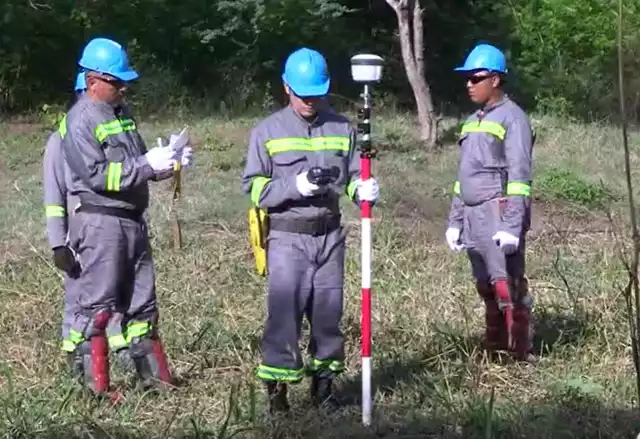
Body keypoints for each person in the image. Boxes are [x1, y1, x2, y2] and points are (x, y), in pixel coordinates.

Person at [241, 47, 380, 413]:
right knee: (284, 315)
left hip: (330, 235)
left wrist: (361, 190)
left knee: (328, 314)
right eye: (303, 94)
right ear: (286, 87)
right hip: (288, 236)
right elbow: (253, 187)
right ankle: (278, 396)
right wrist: (295, 186)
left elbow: (352, 176)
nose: (310, 101)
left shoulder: (342, 127)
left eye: (316, 93)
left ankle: (325, 388)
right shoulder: (266, 132)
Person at [61, 37, 193, 394]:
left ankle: (155, 383)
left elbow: (137, 165)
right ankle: (96, 391)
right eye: (116, 81)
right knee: (99, 309)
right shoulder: (78, 122)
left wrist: (167, 162)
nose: (124, 87)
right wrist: (147, 164)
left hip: (133, 220)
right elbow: (98, 175)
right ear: (92, 81)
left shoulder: (122, 115)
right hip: (101, 223)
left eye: (125, 81)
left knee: (143, 305)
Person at [445, 43, 535, 362]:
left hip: (497, 212)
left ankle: (518, 352)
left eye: (476, 77)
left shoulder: (514, 119)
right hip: (471, 216)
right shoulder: (471, 121)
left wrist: (512, 225)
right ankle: (494, 344)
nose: (469, 84)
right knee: (484, 285)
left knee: (506, 285)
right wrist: (455, 221)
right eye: (467, 78)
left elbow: (520, 176)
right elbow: (462, 176)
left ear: (495, 80)